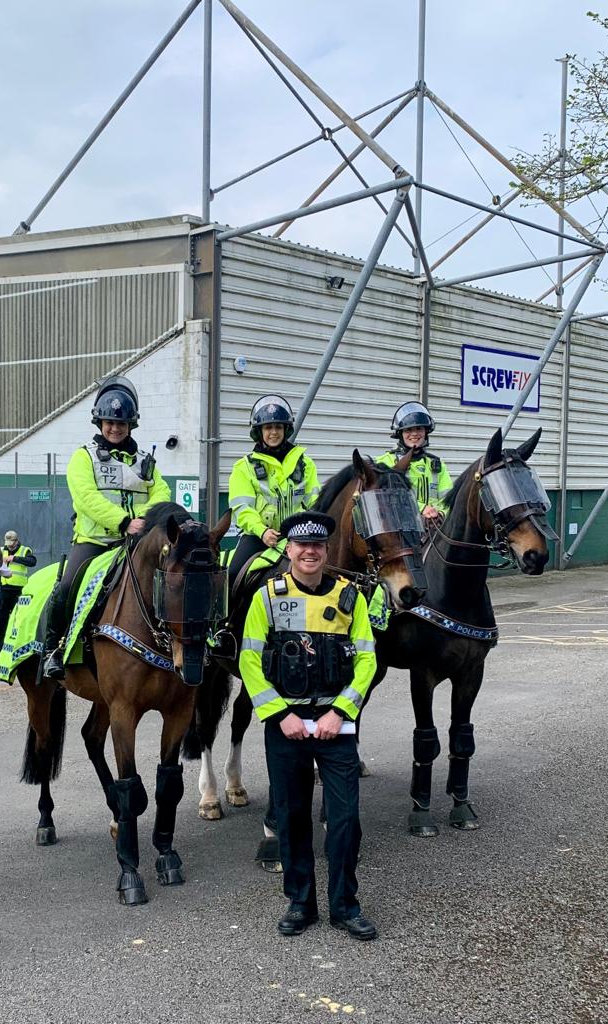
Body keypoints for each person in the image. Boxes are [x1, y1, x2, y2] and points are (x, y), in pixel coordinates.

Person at [239, 510, 378, 941]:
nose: (310, 552)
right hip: (286, 728)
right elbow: (249, 661)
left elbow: (367, 660)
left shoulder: (350, 598)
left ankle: (344, 906)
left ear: (325, 550)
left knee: (345, 820)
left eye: (317, 545)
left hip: (336, 727)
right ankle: (300, 902)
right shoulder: (266, 598)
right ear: (290, 550)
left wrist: (341, 712)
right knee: (293, 817)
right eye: (302, 545)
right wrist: (282, 715)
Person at [42, 375, 170, 680]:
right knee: (66, 587)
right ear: (99, 422)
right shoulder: (82, 457)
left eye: (121, 423)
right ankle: (53, 649)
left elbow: (162, 494)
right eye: (109, 422)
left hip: (138, 542)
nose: (115, 428)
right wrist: (124, 521)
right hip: (95, 542)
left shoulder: (146, 462)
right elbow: (86, 498)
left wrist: (142, 521)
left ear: (131, 425)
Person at [227, 395, 321, 582]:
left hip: (299, 536)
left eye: (278, 427)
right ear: (259, 432)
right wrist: (262, 531)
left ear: (286, 430)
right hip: (258, 537)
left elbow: (315, 503)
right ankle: (231, 613)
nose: (273, 432)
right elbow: (242, 509)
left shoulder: (306, 464)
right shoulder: (243, 467)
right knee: (233, 574)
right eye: (268, 427)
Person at [377, 402, 453, 524]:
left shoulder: (437, 464)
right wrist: (421, 508)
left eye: (419, 428)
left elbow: (449, 499)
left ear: (426, 432)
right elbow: (385, 498)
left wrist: (441, 514)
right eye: (408, 429)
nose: (414, 433)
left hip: (434, 529)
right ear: (400, 433)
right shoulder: (386, 462)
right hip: (398, 532)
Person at [0, 529, 36, 649]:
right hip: (3, 589)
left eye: (12, 543)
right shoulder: (1, 550)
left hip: (19, 590)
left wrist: (14, 558)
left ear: (16, 541)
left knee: (18, 618)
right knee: (2, 618)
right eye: (8, 543)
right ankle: (1, 642)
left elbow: (32, 562)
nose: (10, 546)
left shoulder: (25, 550)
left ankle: (17, 641)